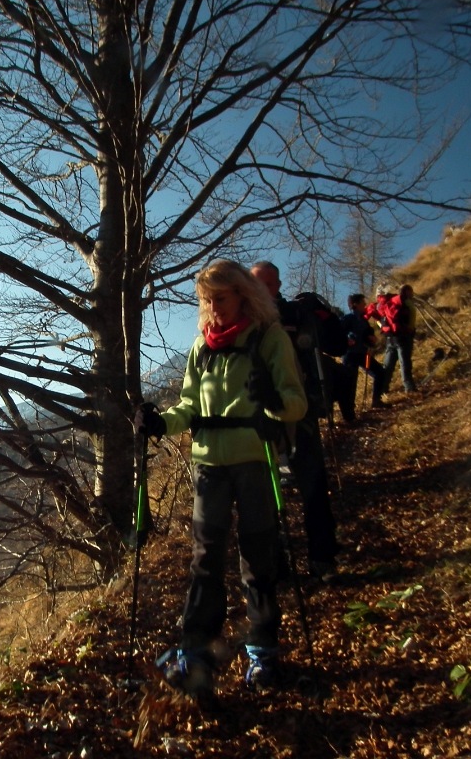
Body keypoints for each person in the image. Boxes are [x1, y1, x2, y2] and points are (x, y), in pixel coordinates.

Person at [135, 260, 307, 698]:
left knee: (258, 561)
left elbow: (295, 402)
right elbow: (189, 407)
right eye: (206, 300)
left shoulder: (268, 339)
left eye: (221, 298)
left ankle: (263, 653)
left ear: (243, 295)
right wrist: (159, 423)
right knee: (205, 561)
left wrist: (273, 404)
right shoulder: (201, 347)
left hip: (254, 461)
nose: (213, 308)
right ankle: (194, 654)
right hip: (208, 465)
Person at [250, 261, 342, 584]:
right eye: (254, 284)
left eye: (267, 284)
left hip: (299, 412)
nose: (260, 290)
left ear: (277, 286)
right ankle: (277, 564)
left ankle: (322, 557)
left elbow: (329, 345)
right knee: (265, 492)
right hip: (260, 416)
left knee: (313, 484)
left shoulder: (294, 314)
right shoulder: (244, 319)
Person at [341, 293, 389, 409]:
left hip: (362, 353)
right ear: (355, 304)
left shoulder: (363, 320)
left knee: (379, 373)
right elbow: (337, 331)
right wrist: (346, 339)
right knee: (350, 381)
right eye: (363, 302)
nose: (365, 304)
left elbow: (367, 334)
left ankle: (376, 400)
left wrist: (372, 338)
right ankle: (349, 410)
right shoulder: (348, 318)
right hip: (350, 354)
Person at [376, 284, 418, 394]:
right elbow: (412, 313)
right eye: (411, 291)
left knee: (388, 365)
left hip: (390, 337)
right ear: (407, 292)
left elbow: (378, 320)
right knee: (405, 362)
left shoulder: (382, 304)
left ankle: (383, 389)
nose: (412, 294)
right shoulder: (403, 300)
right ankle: (409, 387)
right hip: (403, 336)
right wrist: (410, 329)